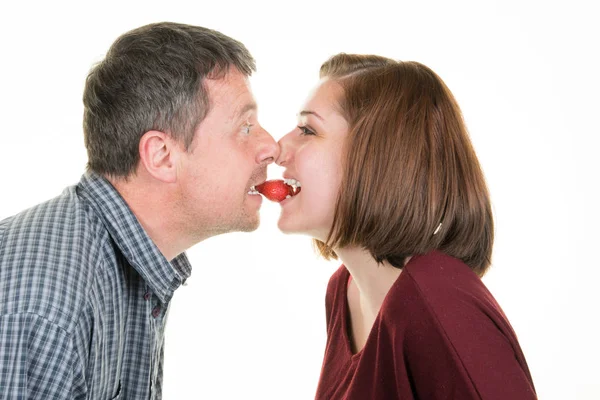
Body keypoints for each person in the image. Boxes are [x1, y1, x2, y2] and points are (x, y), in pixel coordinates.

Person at [0, 22, 278, 399]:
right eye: (245, 127)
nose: (270, 146)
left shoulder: (128, 264)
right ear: (162, 156)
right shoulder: (53, 307)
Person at [275, 54, 537, 399]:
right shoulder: (344, 289)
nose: (278, 149)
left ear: (377, 156)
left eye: (308, 129)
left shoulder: (440, 300)